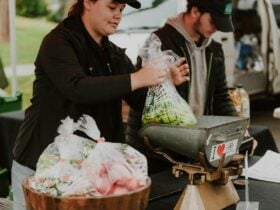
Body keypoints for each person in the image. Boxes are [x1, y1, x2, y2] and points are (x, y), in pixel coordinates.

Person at [11, 0, 188, 209]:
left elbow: (141, 101)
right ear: (88, 3)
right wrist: (137, 78)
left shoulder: (113, 54)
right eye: (112, 7)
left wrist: (165, 84)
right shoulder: (57, 42)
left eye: (121, 10)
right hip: (43, 167)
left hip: (92, 174)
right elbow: (78, 88)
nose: (118, 15)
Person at [126, 0, 257, 174]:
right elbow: (139, 97)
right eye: (213, 22)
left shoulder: (214, 50)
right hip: (157, 153)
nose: (216, 29)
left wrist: (241, 133)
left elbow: (221, 99)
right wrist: (166, 79)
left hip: (193, 147)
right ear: (195, 11)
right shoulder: (159, 43)